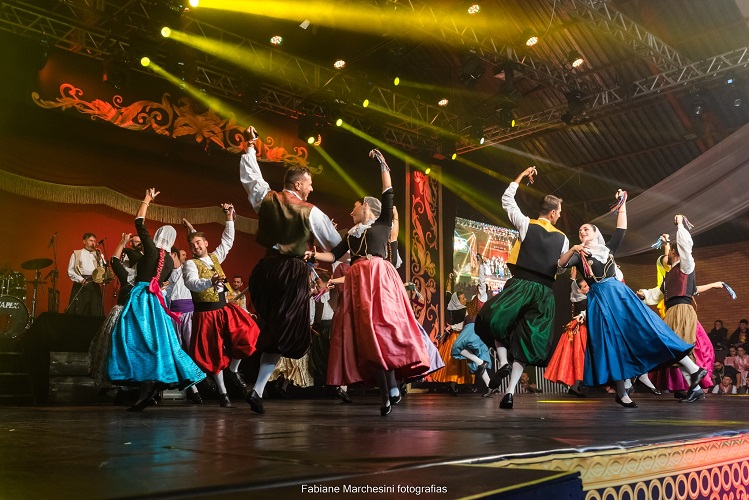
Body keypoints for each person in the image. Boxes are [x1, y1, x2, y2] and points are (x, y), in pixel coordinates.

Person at [304, 149, 430, 416]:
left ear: (367, 208)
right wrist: (314, 254)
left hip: (379, 277)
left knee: (384, 330)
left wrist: (383, 165)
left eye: (356, 205)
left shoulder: (382, 223)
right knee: (367, 336)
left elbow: (388, 193)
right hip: (359, 280)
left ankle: (392, 387)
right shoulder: (351, 235)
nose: (353, 209)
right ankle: (387, 392)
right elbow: (334, 255)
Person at [560, 203, 703, 408]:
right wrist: (573, 248)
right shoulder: (578, 255)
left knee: (649, 330)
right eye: (580, 230)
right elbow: (559, 264)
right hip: (600, 301)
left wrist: (623, 205)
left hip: (620, 297)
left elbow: (621, 229)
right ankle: (622, 392)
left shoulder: (607, 249)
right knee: (611, 345)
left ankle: (692, 368)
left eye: (586, 229)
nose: (582, 231)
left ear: (595, 233)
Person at [240, 126, 341, 414]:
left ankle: (257, 390)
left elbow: (251, 179)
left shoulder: (267, 198)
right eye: (309, 184)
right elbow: (334, 243)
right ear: (298, 184)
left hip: (264, 271)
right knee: (292, 336)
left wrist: (250, 147)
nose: (311, 188)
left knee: (273, 332)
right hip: (291, 273)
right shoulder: (312, 211)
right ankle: (265, 379)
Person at [475, 166, 569, 410]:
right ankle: (509, 392)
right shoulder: (563, 238)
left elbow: (507, 200)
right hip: (544, 292)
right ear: (552, 213)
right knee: (529, 341)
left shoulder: (526, 224)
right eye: (558, 212)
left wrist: (520, 177)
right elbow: (559, 269)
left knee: (494, 319)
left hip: (521, 285)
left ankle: (503, 361)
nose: (559, 216)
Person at [107, 188, 205, 411]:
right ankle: (147, 392)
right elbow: (163, 283)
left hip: (141, 299)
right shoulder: (171, 262)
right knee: (156, 344)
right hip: (156, 302)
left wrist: (146, 200)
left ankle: (143, 389)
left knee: (132, 340)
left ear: (159, 235)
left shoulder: (150, 249)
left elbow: (139, 222)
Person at [183, 204, 261, 409]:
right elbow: (191, 283)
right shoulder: (190, 264)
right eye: (192, 245)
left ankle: (234, 370)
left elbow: (227, 240)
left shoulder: (215, 256)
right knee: (214, 353)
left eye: (199, 243)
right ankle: (223, 393)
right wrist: (210, 281)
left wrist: (229, 218)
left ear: (206, 243)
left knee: (247, 333)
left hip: (223, 308)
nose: (196, 247)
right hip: (206, 313)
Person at [637, 214, 712, 403]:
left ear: (675, 253)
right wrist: (644, 295)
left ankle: (694, 377)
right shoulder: (670, 274)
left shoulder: (686, 266)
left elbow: (686, 246)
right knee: (672, 350)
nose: (668, 252)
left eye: (670, 251)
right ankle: (694, 384)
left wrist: (679, 225)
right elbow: (658, 293)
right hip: (672, 311)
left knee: (675, 348)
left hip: (682, 309)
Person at [89, 232, 134, 389]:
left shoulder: (146, 273)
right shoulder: (127, 274)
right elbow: (114, 260)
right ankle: (120, 386)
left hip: (137, 317)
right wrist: (123, 243)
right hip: (123, 314)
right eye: (133, 244)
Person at [451, 254, 495, 396]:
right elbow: (463, 323)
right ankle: (490, 386)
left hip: (475, 330)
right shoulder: (470, 306)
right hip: (471, 330)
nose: (477, 288)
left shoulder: (482, 298)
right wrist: (451, 327)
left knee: (457, 347)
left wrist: (481, 265)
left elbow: (482, 282)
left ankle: (481, 365)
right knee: (479, 360)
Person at [165, 244, 204, 404]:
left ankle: (202, 380)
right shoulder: (165, 275)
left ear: (173, 255)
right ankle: (193, 388)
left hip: (188, 313)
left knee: (192, 348)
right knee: (179, 351)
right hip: (173, 315)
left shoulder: (186, 270)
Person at [543, 268, 589, 397]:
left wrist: (572, 279)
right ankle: (575, 384)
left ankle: (574, 385)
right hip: (579, 331)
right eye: (585, 286)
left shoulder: (577, 297)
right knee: (579, 357)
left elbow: (573, 288)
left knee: (575, 356)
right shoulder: (583, 299)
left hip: (576, 329)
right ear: (579, 290)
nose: (588, 287)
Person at [67, 232, 105, 316]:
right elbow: (70, 271)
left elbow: (103, 269)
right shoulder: (76, 254)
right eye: (90, 240)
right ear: (84, 241)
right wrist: (81, 280)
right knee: (80, 310)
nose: (93, 243)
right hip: (81, 284)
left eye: (94, 241)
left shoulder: (98, 254)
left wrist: (100, 258)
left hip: (94, 284)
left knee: (95, 311)